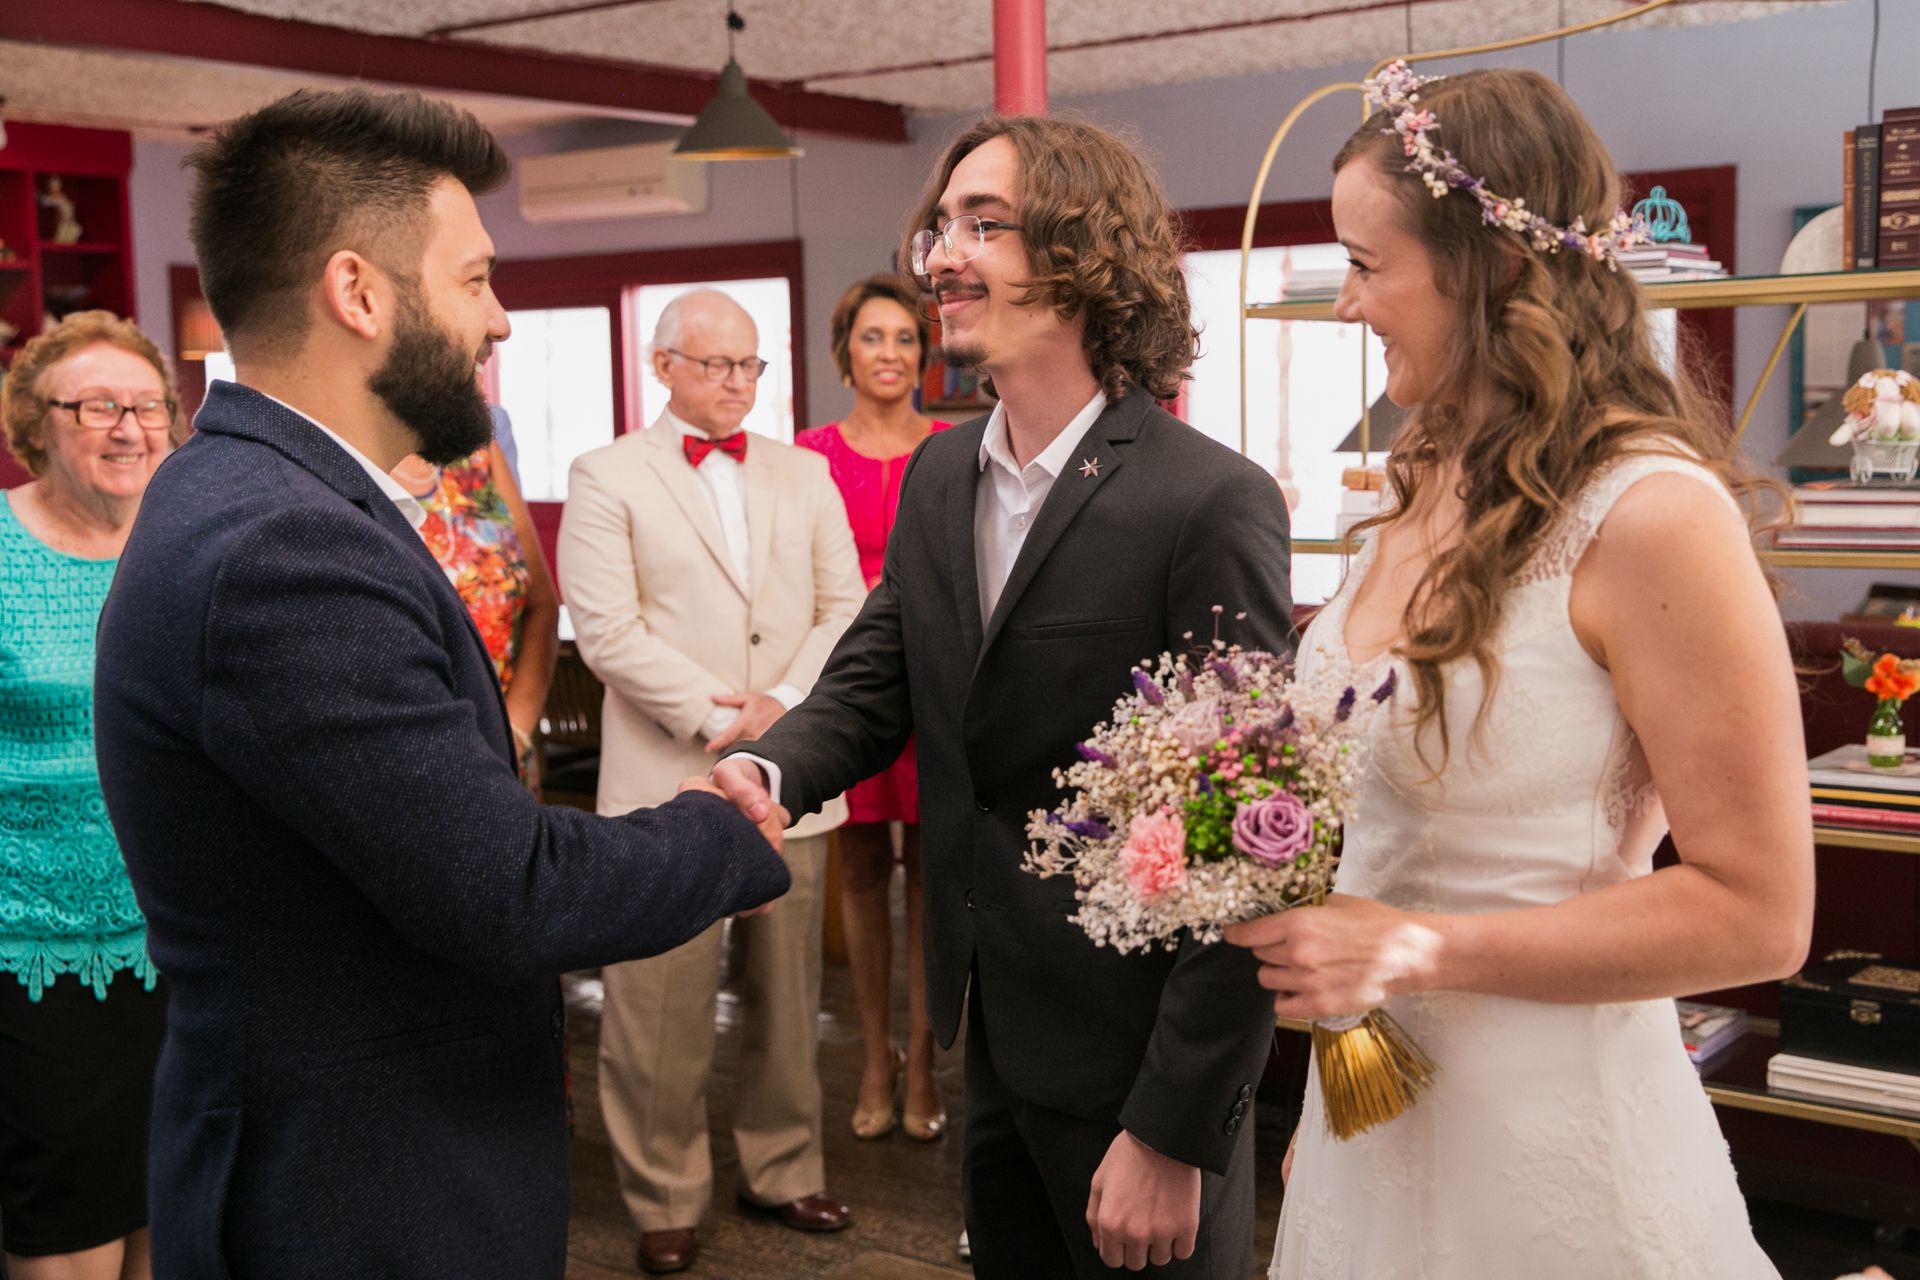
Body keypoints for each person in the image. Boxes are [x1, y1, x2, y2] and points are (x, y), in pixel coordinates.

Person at [90, 88, 790, 1280]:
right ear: (359, 292)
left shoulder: (263, 493)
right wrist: (722, 825)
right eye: (475, 279)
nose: (504, 319)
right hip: (363, 1191)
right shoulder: (282, 547)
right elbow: (507, 888)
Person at [1221, 65, 1813, 1278]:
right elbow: (1386, 842)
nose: (1347, 305)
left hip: (1560, 1172)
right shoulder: (1420, 476)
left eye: (1368, 264)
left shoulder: (1650, 516)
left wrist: (1422, 949)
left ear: (1491, 268)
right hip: (1371, 1130)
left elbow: (1761, 910)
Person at [714, 116, 1295, 1278]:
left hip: (1136, 1070)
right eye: (940, 224)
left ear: (1084, 254)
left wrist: (1174, 1128)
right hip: (990, 1032)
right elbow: (879, 673)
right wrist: (769, 770)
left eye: (984, 224)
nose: (939, 254)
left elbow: (1260, 841)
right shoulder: (940, 474)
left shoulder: (1205, 501)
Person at [557, 288, 865, 1275]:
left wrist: (776, 704)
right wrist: (716, 715)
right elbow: (605, 630)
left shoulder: (805, 471)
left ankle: (782, 1166)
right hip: (665, 774)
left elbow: (847, 607)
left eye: (751, 366)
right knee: (658, 1001)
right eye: (716, 364)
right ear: (663, 366)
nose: (737, 383)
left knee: (789, 996)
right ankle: (663, 1190)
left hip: (792, 767)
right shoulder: (605, 474)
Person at [0, 311, 184, 1280]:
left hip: (189, 940)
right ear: (36, 424)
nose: (129, 427)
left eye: (147, 404)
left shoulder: (187, 546)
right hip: (38, 946)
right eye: (97, 405)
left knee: (176, 1203)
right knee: (71, 1220)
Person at [794, 273, 953, 1144]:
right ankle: (873, 1053)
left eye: (904, 339)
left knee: (933, 875)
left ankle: (926, 1056)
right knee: (859, 873)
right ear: (842, 352)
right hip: (847, 688)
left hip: (936, 689)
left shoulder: (953, 450)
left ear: (923, 356)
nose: (889, 354)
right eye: (872, 337)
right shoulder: (806, 453)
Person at [390, 439, 557, 784]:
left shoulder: (480, 456)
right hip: (410, 759)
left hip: (508, 752)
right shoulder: (345, 464)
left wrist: (516, 733)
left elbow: (541, 605)